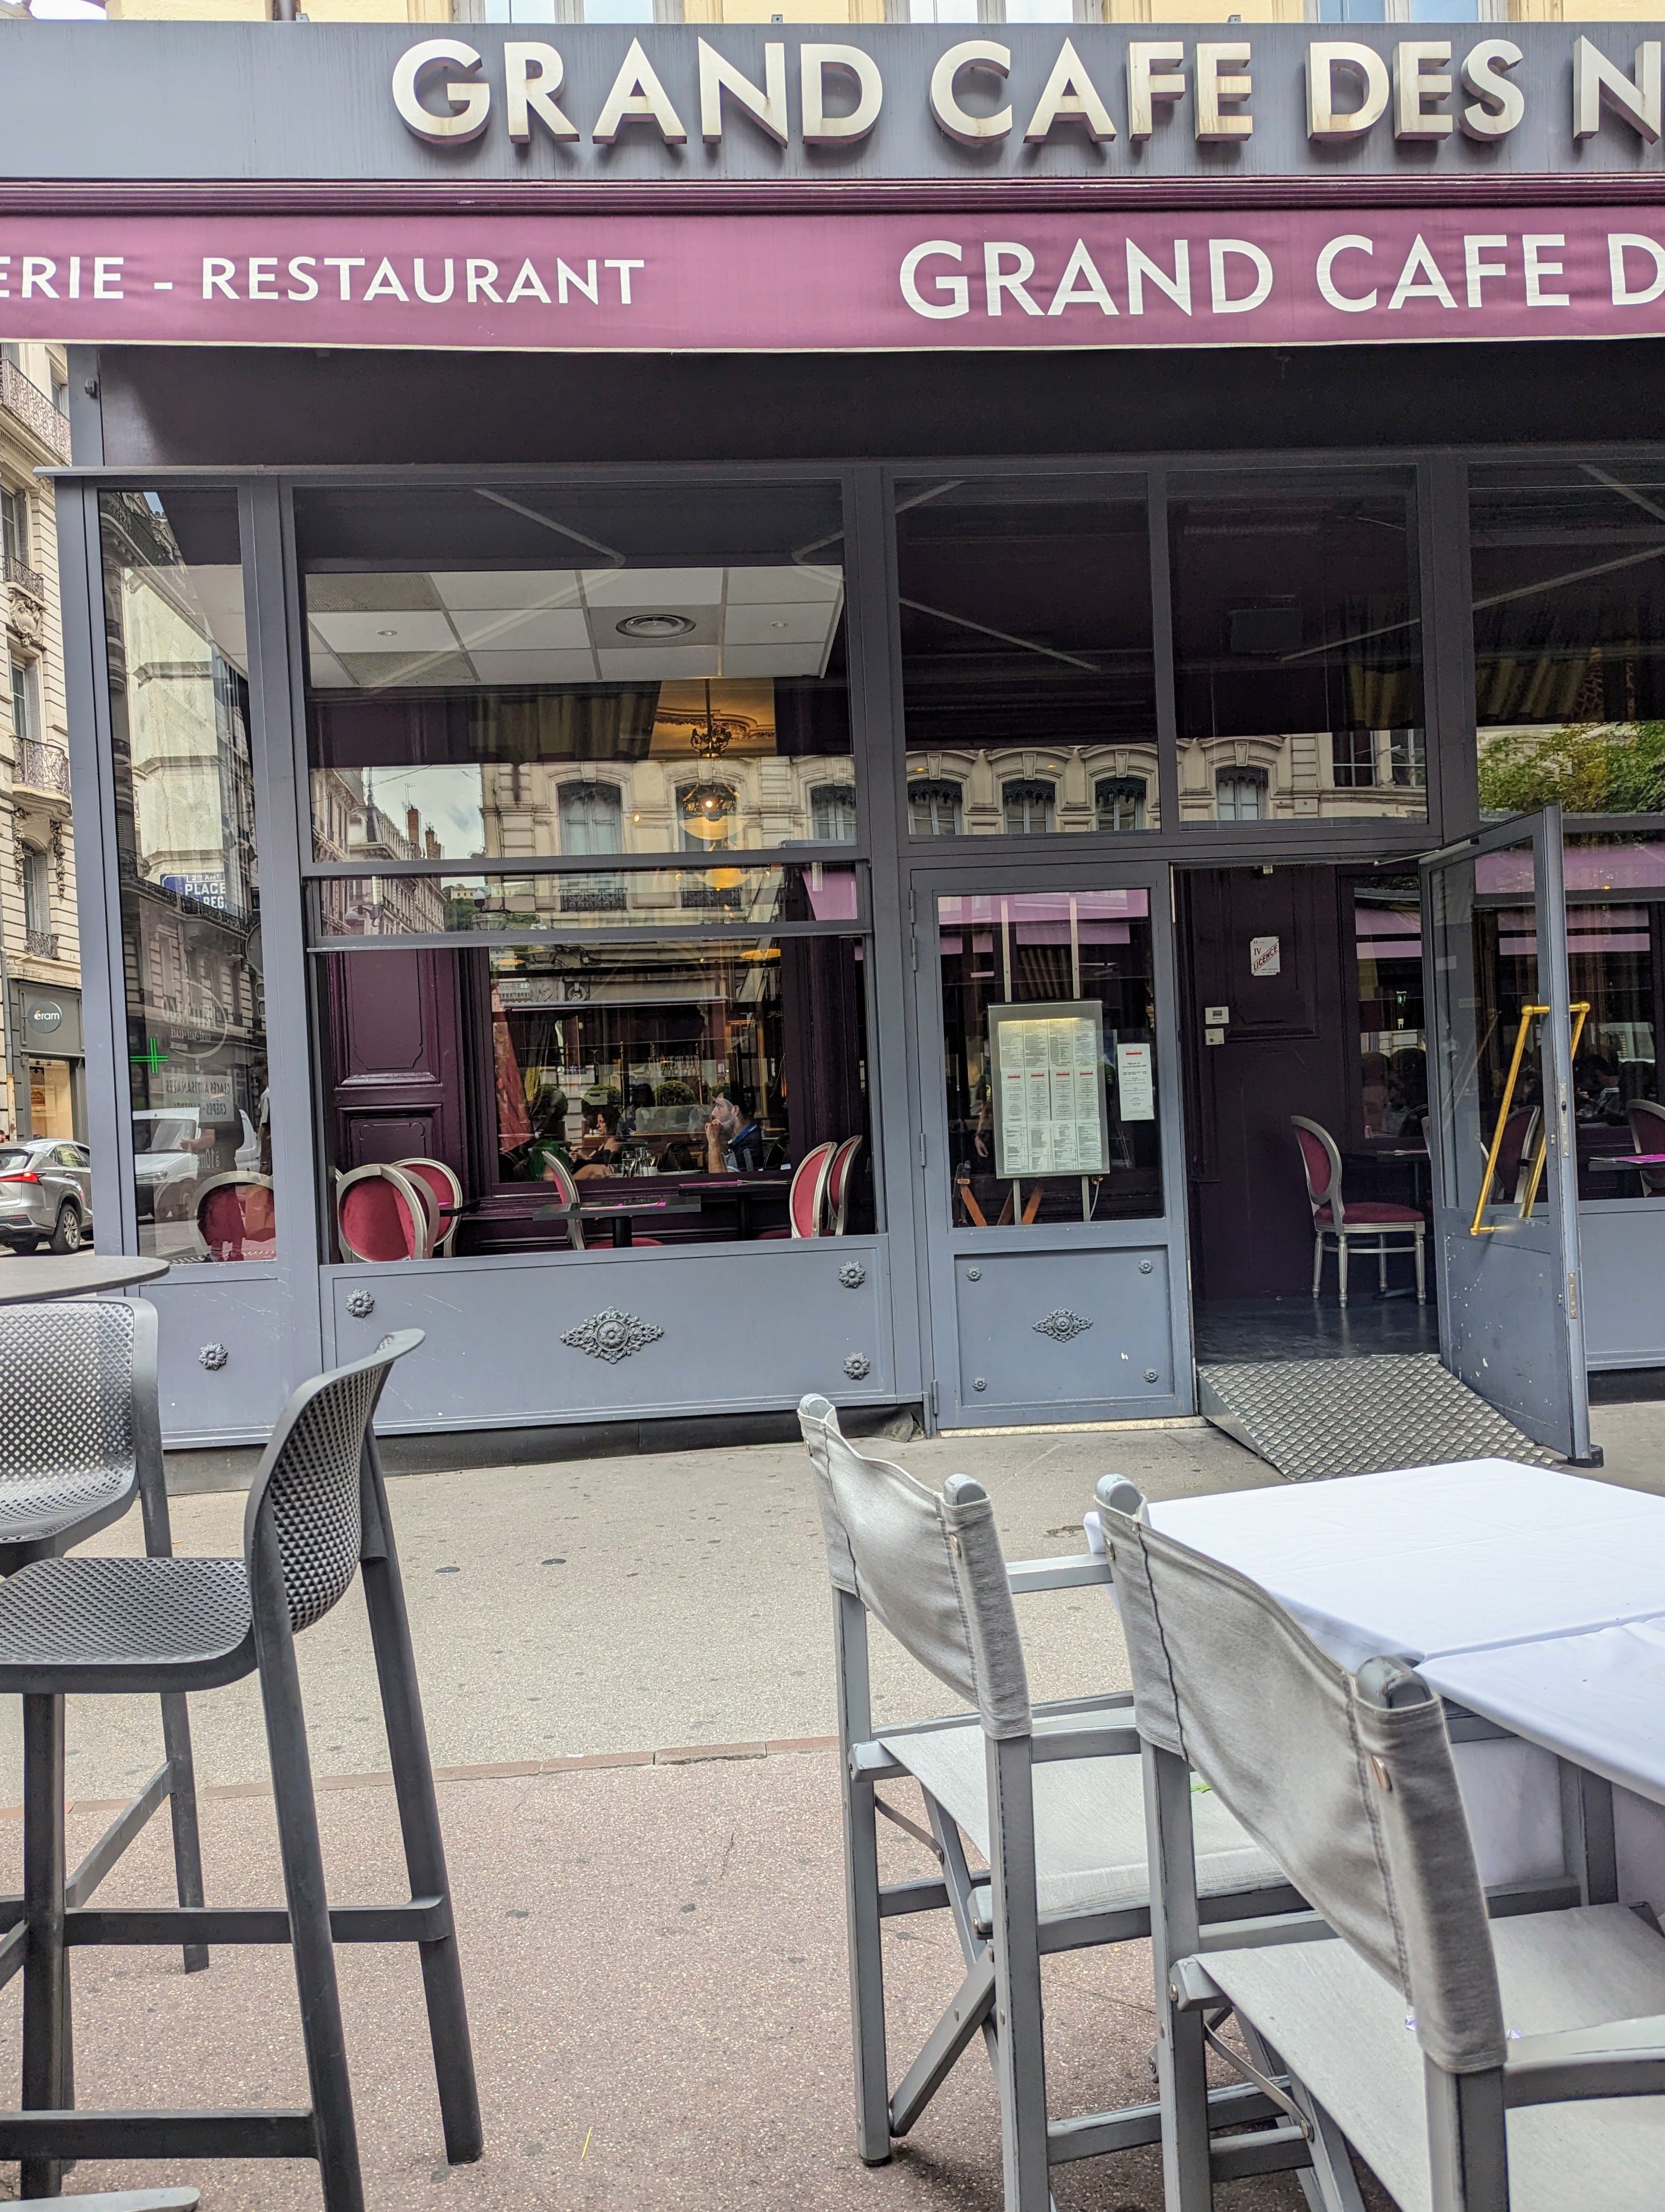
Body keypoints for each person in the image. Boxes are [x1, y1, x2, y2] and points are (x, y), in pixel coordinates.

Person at [704, 1082, 767, 1174]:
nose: (713, 1113)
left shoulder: (747, 1147)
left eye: (719, 1107)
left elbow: (720, 1180)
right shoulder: (745, 1138)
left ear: (735, 1111)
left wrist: (713, 1141)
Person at [573, 1103, 625, 1180]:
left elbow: (607, 1167)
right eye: (598, 1122)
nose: (598, 1126)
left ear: (610, 1123)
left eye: (601, 1122)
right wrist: (581, 1157)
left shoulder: (613, 1142)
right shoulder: (604, 1144)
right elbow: (593, 1161)